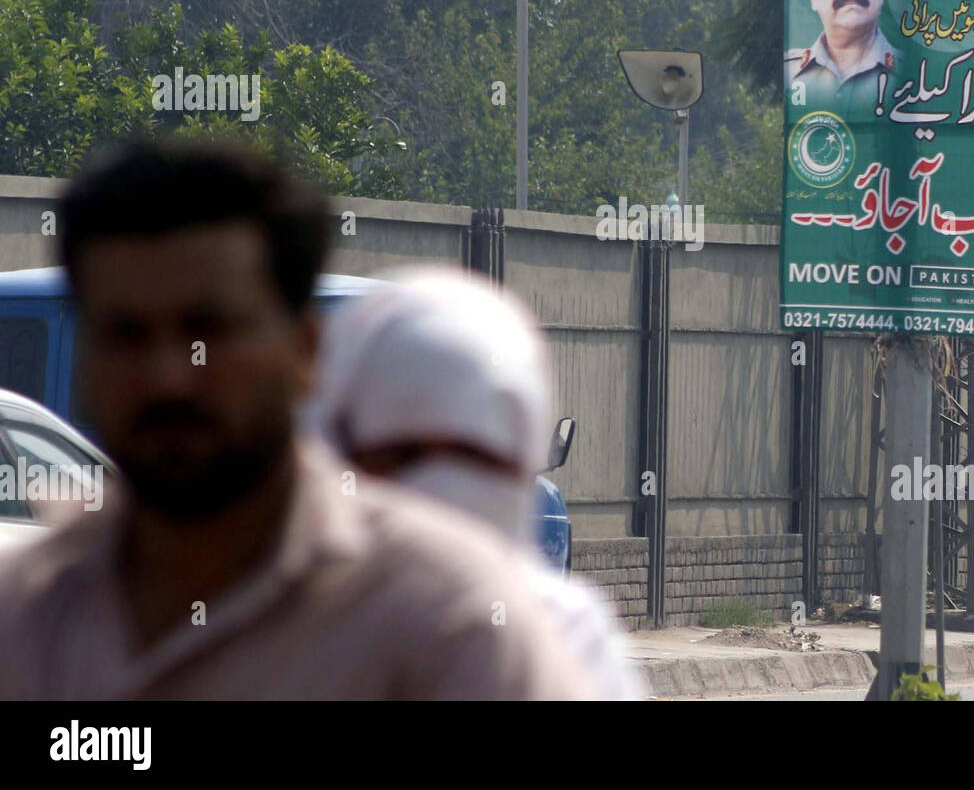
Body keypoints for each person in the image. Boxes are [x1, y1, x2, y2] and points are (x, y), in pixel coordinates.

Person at [0, 139, 593, 700]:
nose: (168, 376)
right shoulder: (26, 615)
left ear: (306, 350)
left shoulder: (446, 622)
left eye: (210, 330)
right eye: (125, 335)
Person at [308, 266, 646, 701]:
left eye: (475, 457)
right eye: (405, 456)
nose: (443, 485)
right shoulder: (278, 627)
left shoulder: (567, 632)